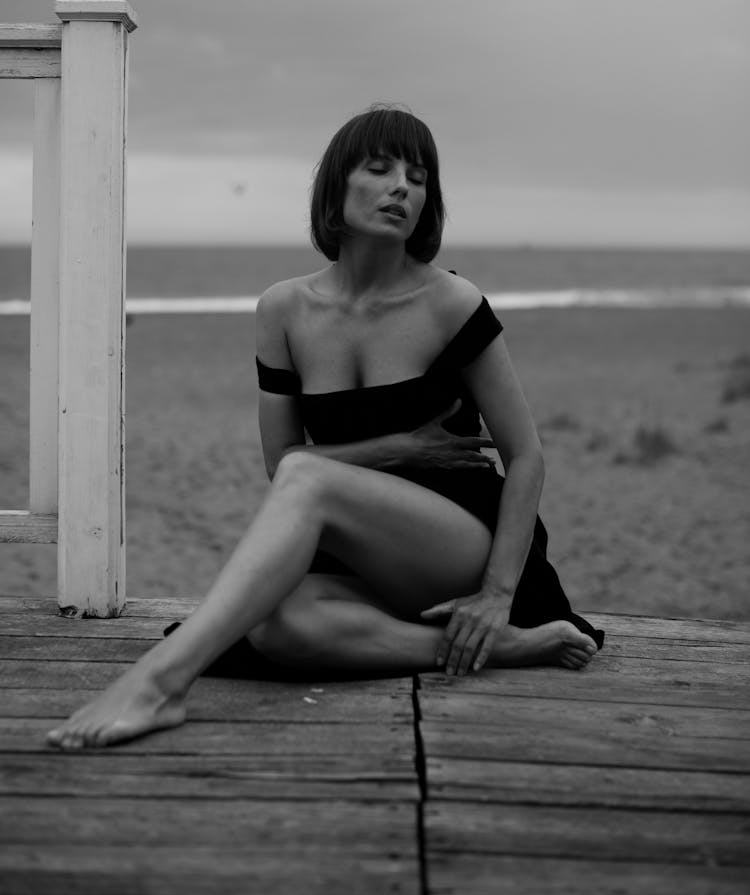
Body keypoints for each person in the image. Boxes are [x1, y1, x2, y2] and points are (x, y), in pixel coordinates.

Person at [47, 105, 603, 751]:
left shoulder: (452, 303)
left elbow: (527, 455)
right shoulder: (284, 309)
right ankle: (504, 651)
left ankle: (158, 685)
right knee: (276, 628)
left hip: (463, 546)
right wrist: (396, 447)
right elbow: (278, 461)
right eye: (380, 168)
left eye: (419, 177)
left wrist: (496, 593)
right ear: (336, 186)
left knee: (310, 475)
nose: (403, 186)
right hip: (363, 552)